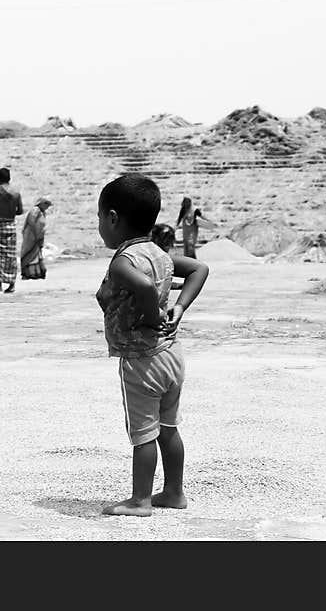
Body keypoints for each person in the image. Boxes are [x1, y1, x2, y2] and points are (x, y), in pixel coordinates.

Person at [95, 175, 209, 517]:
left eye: (99, 217)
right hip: (170, 354)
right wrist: (179, 307)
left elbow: (143, 288)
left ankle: (140, 500)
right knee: (168, 428)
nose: (99, 225)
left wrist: (149, 316)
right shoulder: (159, 254)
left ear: (113, 218)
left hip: (141, 359)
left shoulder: (124, 261)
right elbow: (200, 269)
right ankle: (174, 492)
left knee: (143, 432)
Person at [0, 167, 23, 293]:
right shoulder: (16, 193)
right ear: (9, 178)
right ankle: (12, 285)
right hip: (11, 225)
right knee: (10, 255)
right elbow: (20, 211)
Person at [20, 197, 52, 280]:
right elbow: (31, 221)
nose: (47, 207)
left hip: (38, 236)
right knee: (29, 253)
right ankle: (28, 273)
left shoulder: (42, 212)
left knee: (36, 254)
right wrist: (36, 234)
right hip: (31, 236)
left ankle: (37, 273)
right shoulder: (35, 210)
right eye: (46, 205)